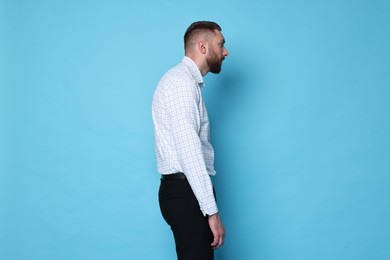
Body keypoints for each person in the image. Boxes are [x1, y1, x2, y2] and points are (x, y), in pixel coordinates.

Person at [152, 21, 229, 260]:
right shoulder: (182, 85)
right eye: (221, 44)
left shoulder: (184, 82)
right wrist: (212, 212)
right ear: (203, 46)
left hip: (185, 191)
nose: (225, 52)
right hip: (185, 193)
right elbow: (189, 152)